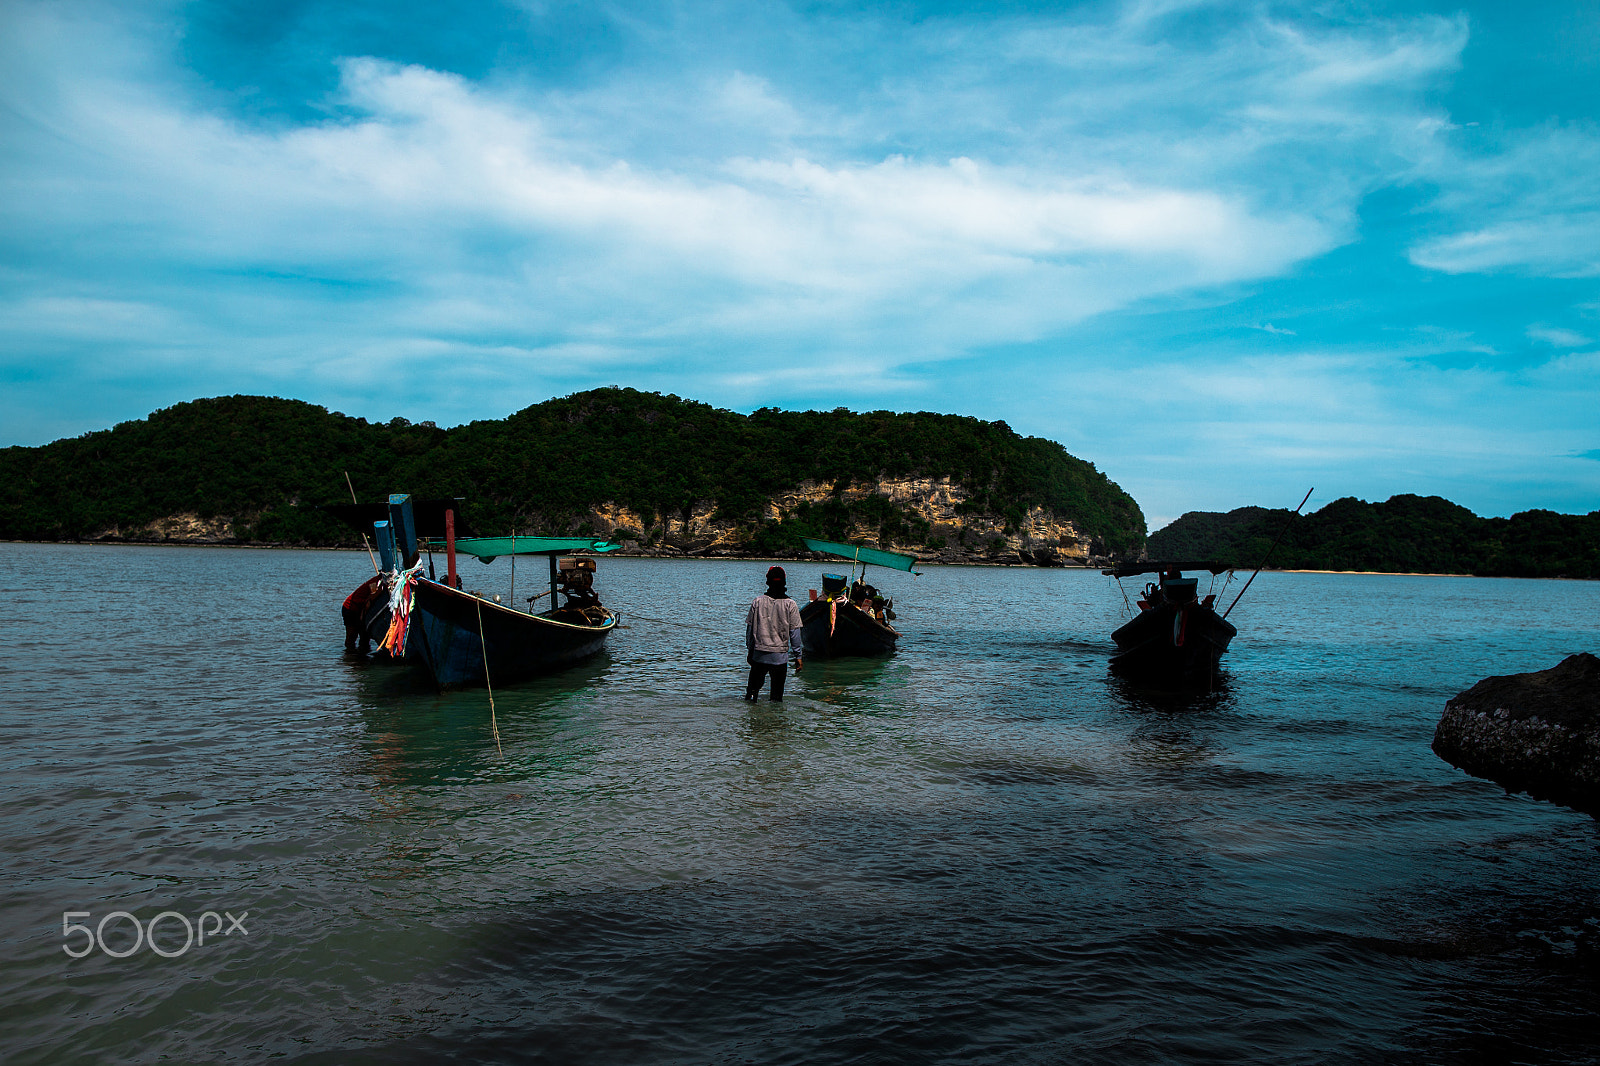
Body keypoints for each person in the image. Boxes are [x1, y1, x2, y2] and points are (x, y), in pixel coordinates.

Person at [745, 565, 804, 702]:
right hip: (780, 658)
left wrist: (750, 651)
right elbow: (795, 633)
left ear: (767, 582)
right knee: (777, 699)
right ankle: (777, 723)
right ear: (784, 582)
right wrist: (798, 656)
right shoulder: (791, 604)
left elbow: (750, 632)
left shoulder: (757, 602)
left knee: (751, 696)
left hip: (759, 655)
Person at [342, 574, 385, 652]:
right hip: (350, 608)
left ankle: (362, 657)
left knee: (364, 636)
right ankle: (350, 655)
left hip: (361, 609)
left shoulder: (381, 582)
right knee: (351, 636)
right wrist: (363, 616)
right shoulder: (377, 582)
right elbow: (370, 600)